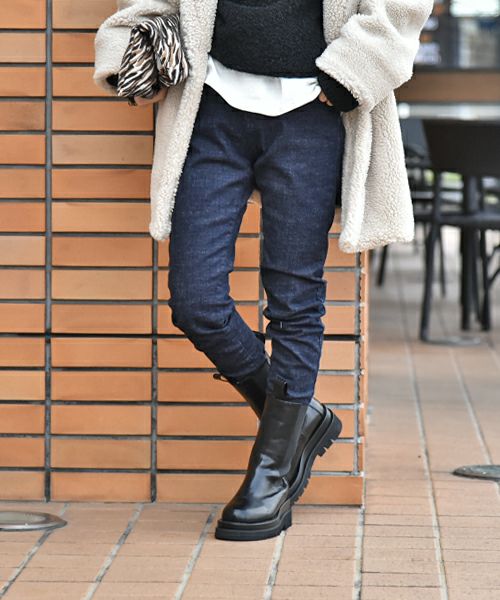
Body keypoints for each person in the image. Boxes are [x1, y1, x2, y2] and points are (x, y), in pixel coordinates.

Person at [94, 0, 434, 542]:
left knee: (295, 296)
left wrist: (351, 73)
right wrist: (128, 50)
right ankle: (299, 418)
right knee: (196, 301)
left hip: (312, 114)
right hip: (211, 107)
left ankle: (272, 470)